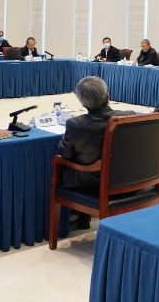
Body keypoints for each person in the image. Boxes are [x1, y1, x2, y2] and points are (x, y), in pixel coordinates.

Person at [57, 76, 135, 229]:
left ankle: (75, 216)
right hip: (127, 177)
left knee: (67, 164)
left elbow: (65, 153)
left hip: (92, 181)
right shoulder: (129, 115)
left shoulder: (76, 124)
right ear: (107, 96)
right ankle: (82, 217)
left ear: (83, 104)